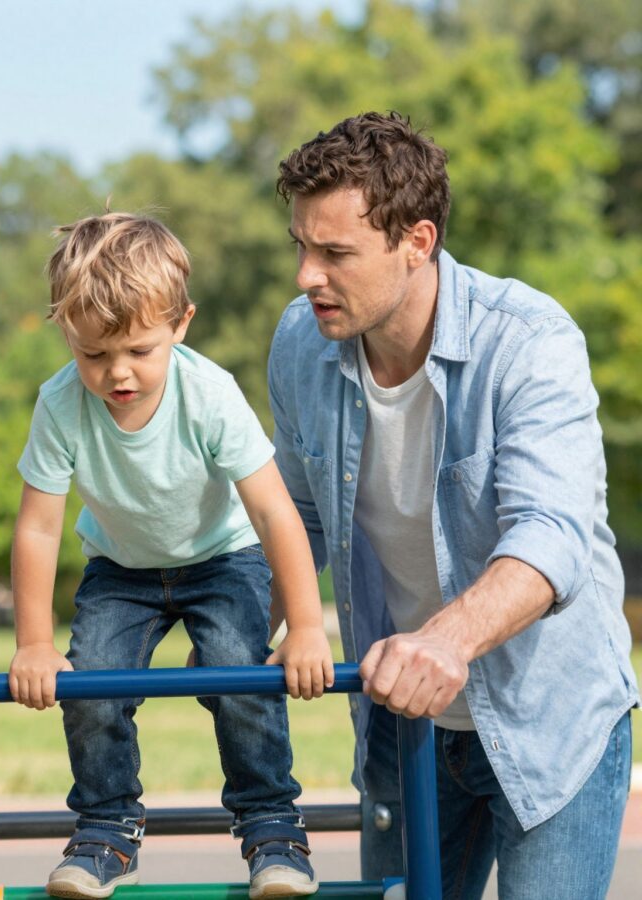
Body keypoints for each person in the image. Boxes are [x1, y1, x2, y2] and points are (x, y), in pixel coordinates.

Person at [268, 111, 638, 899]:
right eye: (301, 246)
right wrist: (236, 628)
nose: (306, 275)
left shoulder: (529, 341)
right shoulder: (301, 344)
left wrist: (446, 639)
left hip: (551, 719)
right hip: (407, 728)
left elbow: (554, 535)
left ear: (418, 241)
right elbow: (292, 518)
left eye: (335, 253)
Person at [9, 212, 334, 899]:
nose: (116, 373)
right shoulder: (62, 403)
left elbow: (275, 511)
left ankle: (273, 827)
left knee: (235, 674)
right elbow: (39, 527)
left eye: (137, 351)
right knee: (90, 679)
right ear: (67, 334)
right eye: (94, 355)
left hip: (221, 559)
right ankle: (105, 827)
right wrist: (34, 643)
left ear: (180, 324)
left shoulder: (208, 393)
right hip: (120, 571)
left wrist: (304, 626)